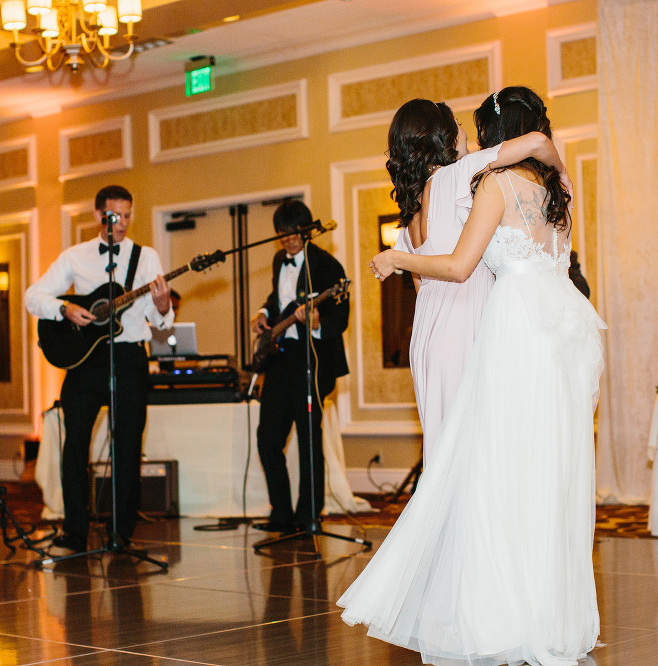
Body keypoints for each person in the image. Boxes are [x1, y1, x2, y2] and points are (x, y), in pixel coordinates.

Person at [340, 87, 605, 665]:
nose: (471, 137)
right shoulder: (519, 185)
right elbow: (539, 148)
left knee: (464, 467)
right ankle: (506, 601)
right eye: (458, 128)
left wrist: (398, 258)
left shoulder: (444, 191)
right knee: (511, 471)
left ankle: (464, 601)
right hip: (516, 327)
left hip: (463, 330)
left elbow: (444, 270)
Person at [387, 98, 568, 464]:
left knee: (442, 452)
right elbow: (537, 143)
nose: (466, 128)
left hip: (428, 334)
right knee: (474, 452)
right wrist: (561, 179)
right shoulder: (459, 173)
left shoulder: (408, 219)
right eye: (456, 120)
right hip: (465, 327)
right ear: (444, 135)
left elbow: (424, 286)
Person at [24, 185, 174, 550]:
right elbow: (34, 296)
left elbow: (162, 323)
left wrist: (163, 302)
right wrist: (64, 309)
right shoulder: (76, 256)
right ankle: (75, 529)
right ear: (97, 215)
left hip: (128, 357)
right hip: (85, 357)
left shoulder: (147, 257)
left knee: (127, 444)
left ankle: (121, 532)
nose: (121, 223)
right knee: (74, 442)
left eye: (127, 216)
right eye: (113, 216)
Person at [250, 200, 349, 533]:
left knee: (309, 440)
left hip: (312, 361)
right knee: (267, 438)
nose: (288, 239)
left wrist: (317, 323)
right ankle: (281, 513)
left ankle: (309, 516)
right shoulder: (280, 260)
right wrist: (263, 314)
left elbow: (341, 320)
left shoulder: (328, 266)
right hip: (280, 359)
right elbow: (280, 299)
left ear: (307, 231)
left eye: (295, 232)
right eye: (282, 233)